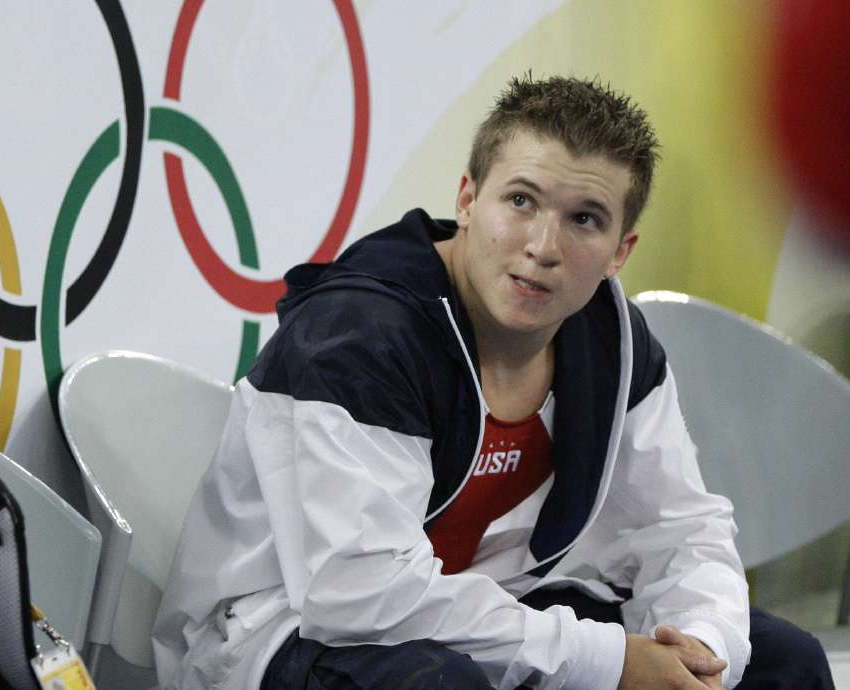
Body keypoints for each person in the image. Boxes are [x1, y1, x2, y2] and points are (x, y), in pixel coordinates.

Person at [152, 74, 834, 689]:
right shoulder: (360, 334)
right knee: (441, 686)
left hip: (480, 614)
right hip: (281, 632)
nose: (543, 246)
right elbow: (358, 594)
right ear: (468, 199)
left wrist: (701, 648)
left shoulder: (610, 339)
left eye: (585, 219)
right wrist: (612, 661)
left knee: (783, 663)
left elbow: (681, 530)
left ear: (621, 250)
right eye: (521, 200)